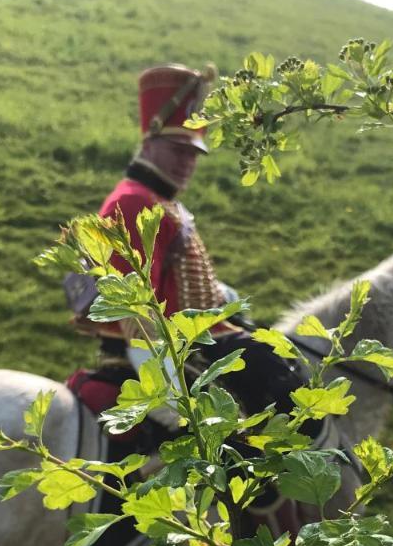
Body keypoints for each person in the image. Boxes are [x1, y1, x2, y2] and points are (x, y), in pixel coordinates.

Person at [69, 63, 323, 445]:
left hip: (200, 339)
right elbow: (134, 307)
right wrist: (169, 397)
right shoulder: (134, 201)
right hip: (165, 350)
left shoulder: (162, 202)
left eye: (193, 153)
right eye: (177, 150)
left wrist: (227, 302)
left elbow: (180, 284)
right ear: (149, 143)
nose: (188, 162)